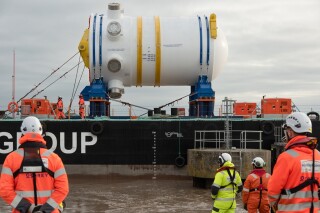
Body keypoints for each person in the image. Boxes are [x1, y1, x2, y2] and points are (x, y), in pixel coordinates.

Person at [0, 116, 69, 213]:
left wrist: (28, 208)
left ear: (22, 132)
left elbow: (5, 191)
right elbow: (63, 189)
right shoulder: (54, 158)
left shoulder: (11, 159)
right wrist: (45, 210)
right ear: (40, 132)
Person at [268, 112, 320, 212]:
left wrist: (273, 204)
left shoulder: (286, 157)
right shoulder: (318, 155)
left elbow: (273, 189)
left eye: (286, 130)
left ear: (290, 132)